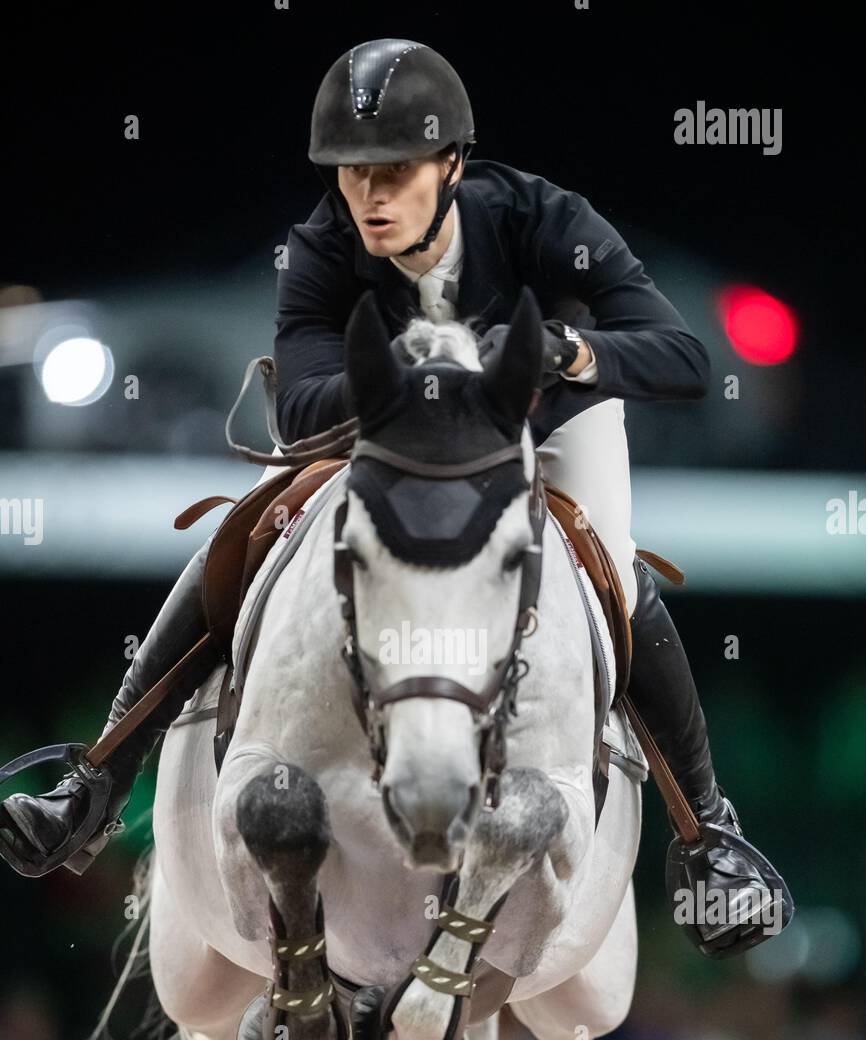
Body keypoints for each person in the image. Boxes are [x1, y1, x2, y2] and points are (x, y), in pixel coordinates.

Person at [0, 37, 790, 956]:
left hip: (541, 423)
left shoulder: (541, 216)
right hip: (376, 430)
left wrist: (574, 356)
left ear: (452, 163)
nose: (370, 198)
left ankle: (709, 832)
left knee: (611, 569)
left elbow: (684, 358)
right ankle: (95, 780)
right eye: (351, 174)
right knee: (250, 530)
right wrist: (422, 377)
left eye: (396, 173)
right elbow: (296, 404)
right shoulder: (323, 246)